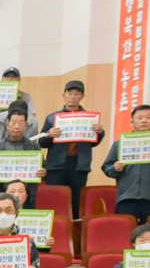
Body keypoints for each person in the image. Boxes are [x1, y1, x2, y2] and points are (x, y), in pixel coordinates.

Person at [102, 103, 150, 225]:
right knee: (124, 231)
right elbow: (106, 167)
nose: (144, 121)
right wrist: (115, 168)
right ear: (132, 121)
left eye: (148, 117)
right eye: (140, 118)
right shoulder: (120, 144)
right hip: (126, 198)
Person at [39, 80, 105, 219]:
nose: (73, 97)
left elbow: (93, 142)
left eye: (77, 94)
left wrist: (100, 132)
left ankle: (74, 229)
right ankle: (56, 227)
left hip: (79, 165)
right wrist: (49, 135)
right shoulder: (52, 118)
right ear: (64, 95)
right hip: (56, 166)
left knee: (76, 202)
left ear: (82, 96)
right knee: (55, 199)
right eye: (70, 93)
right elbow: (42, 142)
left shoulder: (90, 118)